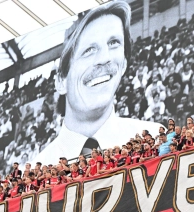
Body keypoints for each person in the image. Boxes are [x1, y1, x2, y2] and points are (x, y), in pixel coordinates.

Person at [34, 1, 162, 165]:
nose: (104, 58)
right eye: (88, 50)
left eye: (113, 43)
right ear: (61, 81)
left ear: (123, 64)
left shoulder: (155, 138)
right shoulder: (36, 170)